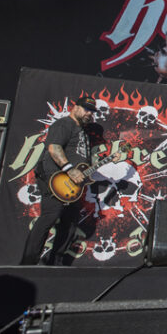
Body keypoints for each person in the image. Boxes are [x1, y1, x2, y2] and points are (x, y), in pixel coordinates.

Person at [21, 96, 101, 265]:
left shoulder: (83, 132)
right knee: (49, 217)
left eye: (92, 111)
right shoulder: (65, 124)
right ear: (75, 107)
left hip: (73, 186)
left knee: (70, 223)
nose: (89, 113)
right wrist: (69, 170)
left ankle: (55, 263)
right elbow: (54, 147)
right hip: (55, 178)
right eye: (86, 109)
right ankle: (28, 263)